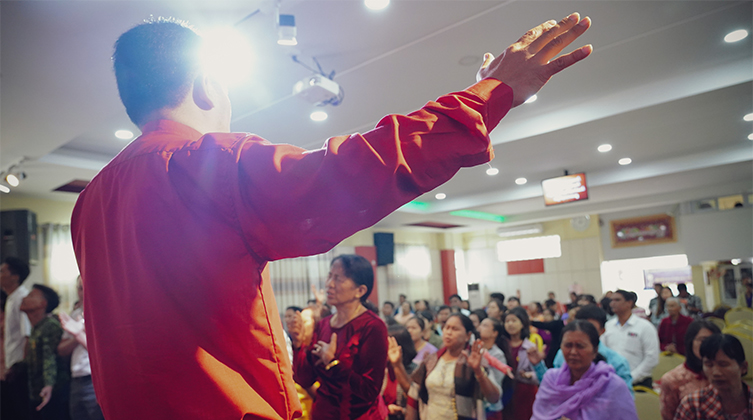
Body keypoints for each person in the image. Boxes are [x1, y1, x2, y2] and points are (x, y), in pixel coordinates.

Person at [70, 14, 592, 419]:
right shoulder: (203, 164)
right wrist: (490, 95)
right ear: (208, 84)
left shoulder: (88, 204)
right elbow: (355, 170)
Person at [292, 255, 388, 418]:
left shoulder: (372, 327)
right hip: (323, 414)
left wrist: (333, 363)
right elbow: (304, 379)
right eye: (330, 276)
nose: (329, 284)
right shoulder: (323, 324)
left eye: (338, 279)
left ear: (360, 291)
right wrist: (298, 343)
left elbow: (369, 391)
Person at [531, 320, 638, 420]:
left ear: (595, 351)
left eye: (580, 346)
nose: (573, 352)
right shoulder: (551, 379)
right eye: (568, 345)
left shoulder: (612, 385)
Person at [406, 314, 501, 420]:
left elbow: (494, 398)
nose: (449, 332)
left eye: (455, 329)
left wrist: (478, 371)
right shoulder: (431, 360)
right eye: (447, 327)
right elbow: (414, 393)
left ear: (468, 336)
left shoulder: (475, 361)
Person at [536, 304, 633, 396]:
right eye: (580, 327)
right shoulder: (562, 354)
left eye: (591, 329)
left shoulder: (617, 362)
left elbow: (624, 402)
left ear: (602, 331)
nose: (584, 333)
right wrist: (537, 365)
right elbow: (552, 387)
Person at [57, 277, 105, 420]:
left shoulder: (104, 312)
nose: (82, 292)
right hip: (76, 378)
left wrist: (79, 334)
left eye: (85, 287)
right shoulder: (76, 313)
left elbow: (102, 353)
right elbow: (61, 349)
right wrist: (77, 335)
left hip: (94, 378)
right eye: (79, 288)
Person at [674, 334, 752, 420]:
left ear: (743, 367)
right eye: (709, 365)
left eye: (723, 365)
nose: (715, 373)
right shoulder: (692, 405)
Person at [21, 284, 70, 420]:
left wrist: (49, 385)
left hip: (54, 392)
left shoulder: (50, 325)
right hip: (39, 392)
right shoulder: (36, 327)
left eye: (31, 296)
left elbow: (50, 357)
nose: (25, 298)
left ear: (43, 303)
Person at [659, 319, 721, 420]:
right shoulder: (672, 380)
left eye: (713, 341)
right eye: (703, 340)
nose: (708, 345)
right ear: (690, 342)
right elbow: (668, 416)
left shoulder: (724, 374)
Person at [603, 290, 659, 388]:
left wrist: (630, 377)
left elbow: (652, 358)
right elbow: (603, 353)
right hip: (612, 382)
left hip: (640, 383)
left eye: (617, 300)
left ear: (629, 303)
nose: (612, 303)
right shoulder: (608, 326)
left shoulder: (644, 327)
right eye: (611, 300)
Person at [0, 256, 32, 420]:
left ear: (15, 276)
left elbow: (26, 334)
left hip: (19, 367)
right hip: (13, 366)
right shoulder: (11, 298)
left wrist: (20, 365)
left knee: (20, 412)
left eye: (2, 271)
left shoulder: (21, 298)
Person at [502, 307, 541, 420]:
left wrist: (529, 375)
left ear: (523, 323)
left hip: (525, 392)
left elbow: (539, 374)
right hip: (507, 391)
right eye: (507, 321)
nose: (510, 324)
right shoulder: (502, 345)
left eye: (514, 321)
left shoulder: (529, 347)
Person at [477, 317, 513, 420]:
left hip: (491, 407)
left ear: (494, 333)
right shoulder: (477, 348)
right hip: (477, 404)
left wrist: (484, 367)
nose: (480, 327)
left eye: (485, 325)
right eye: (481, 324)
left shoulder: (497, 354)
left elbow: (496, 384)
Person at [384, 325, 417, 420]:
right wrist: (386, 409)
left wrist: (397, 365)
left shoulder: (415, 370)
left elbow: (416, 400)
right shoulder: (382, 369)